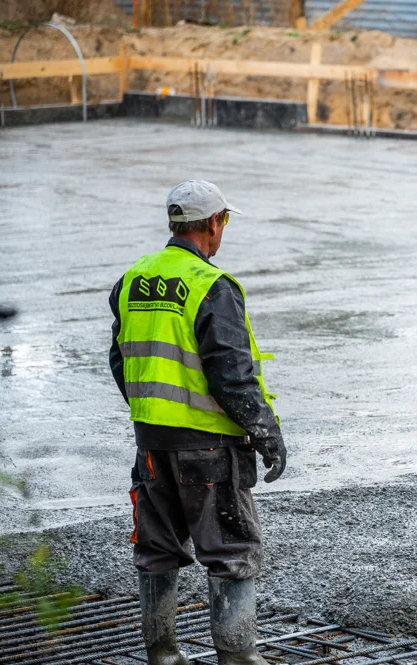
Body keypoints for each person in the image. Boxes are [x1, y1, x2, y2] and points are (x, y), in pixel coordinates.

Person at [109, 180, 287, 665]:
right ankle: (237, 658)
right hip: (208, 446)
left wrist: (151, 413)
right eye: (223, 222)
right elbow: (232, 374)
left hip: (151, 442)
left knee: (157, 547)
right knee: (231, 549)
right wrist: (266, 431)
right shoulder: (213, 287)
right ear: (214, 224)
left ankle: (163, 655)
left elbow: (120, 359)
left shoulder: (132, 279)